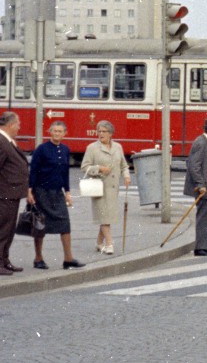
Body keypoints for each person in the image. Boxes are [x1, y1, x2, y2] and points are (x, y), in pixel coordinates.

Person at [29, 120, 82, 269]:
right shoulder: (42, 149)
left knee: (65, 223)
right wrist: (30, 190)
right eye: (55, 131)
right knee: (40, 225)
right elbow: (33, 170)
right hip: (41, 192)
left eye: (60, 131)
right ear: (49, 132)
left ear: (65, 134)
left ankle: (68, 259)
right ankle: (38, 258)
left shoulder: (65, 149)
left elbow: (65, 173)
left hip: (57, 193)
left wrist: (68, 192)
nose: (57, 133)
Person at [81, 120, 131, 255]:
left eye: (104, 131)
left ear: (110, 134)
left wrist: (126, 176)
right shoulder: (92, 148)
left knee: (106, 217)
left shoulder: (118, 147)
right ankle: (109, 244)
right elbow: (84, 167)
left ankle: (98, 243)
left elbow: (124, 165)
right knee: (104, 218)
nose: (101, 134)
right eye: (99, 131)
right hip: (99, 188)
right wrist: (99, 168)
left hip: (113, 188)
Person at [184, 117, 207, 257]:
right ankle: (201, 247)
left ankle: (204, 246)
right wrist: (200, 184)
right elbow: (194, 166)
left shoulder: (205, 142)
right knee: (204, 217)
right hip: (205, 188)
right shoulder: (201, 143)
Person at [0, 112, 31, 276]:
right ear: (10, 125)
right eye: (18, 124)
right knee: (3, 229)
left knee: (9, 230)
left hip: (11, 194)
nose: (19, 128)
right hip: (4, 194)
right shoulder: (1, 141)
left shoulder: (7, 141)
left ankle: (5, 260)